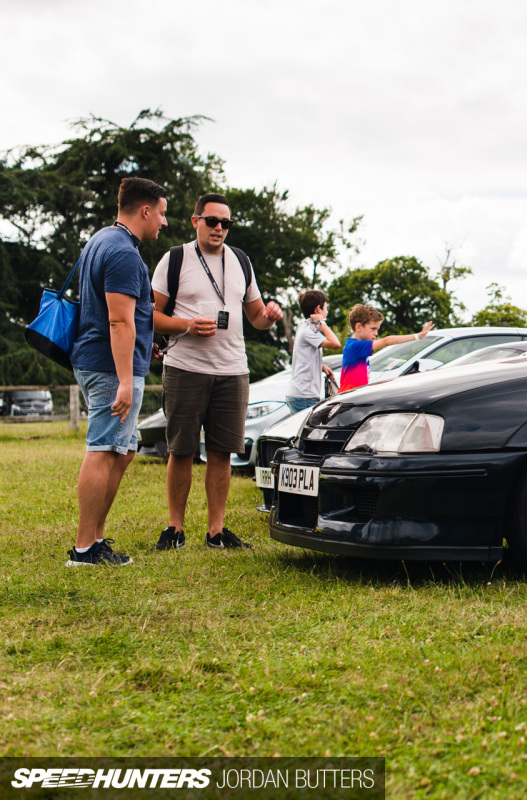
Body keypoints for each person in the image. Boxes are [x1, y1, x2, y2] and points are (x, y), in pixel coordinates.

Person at [151, 193, 284, 551]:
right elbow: (150, 315)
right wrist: (186, 325)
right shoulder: (175, 258)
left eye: (226, 223)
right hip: (185, 368)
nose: (219, 229)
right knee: (181, 450)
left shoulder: (241, 260)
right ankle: (175, 529)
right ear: (196, 221)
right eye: (212, 221)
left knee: (223, 451)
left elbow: (255, 317)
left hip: (232, 370)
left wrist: (269, 317)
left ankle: (216, 531)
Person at [67, 177, 168, 566]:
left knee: (123, 451)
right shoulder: (124, 252)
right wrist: (125, 380)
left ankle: (95, 538)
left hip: (104, 361)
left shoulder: (101, 239)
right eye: (160, 214)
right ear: (144, 210)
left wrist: (147, 347)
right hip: (109, 368)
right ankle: (84, 549)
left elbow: (129, 320)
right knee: (104, 449)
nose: (163, 222)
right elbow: (118, 322)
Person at [339, 304, 434, 392]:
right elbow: (386, 341)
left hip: (353, 396)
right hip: (349, 399)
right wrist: (417, 336)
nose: (376, 333)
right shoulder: (355, 346)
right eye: (373, 329)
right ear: (358, 327)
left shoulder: (357, 346)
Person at [286, 290, 340, 414]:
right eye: (326, 307)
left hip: (302, 395)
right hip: (304, 396)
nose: (327, 311)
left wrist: (321, 366)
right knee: (309, 433)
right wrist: (322, 322)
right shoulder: (308, 332)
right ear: (318, 309)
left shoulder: (307, 329)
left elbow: (304, 358)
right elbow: (335, 343)